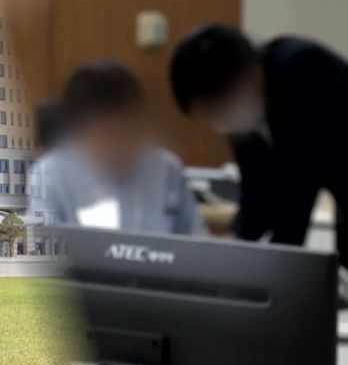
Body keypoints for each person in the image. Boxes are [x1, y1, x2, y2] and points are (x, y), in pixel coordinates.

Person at [170, 23, 348, 263]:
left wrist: (275, 266)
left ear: (252, 74)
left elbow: (300, 185)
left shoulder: (301, 68)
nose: (219, 120)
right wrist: (236, 241)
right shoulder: (242, 109)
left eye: (218, 108)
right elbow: (256, 192)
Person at [29, 60, 206, 235]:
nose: (123, 145)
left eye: (131, 130)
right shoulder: (48, 177)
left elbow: (198, 240)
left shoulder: (166, 169)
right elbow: (39, 247)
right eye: (109, 135)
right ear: (79, 134)